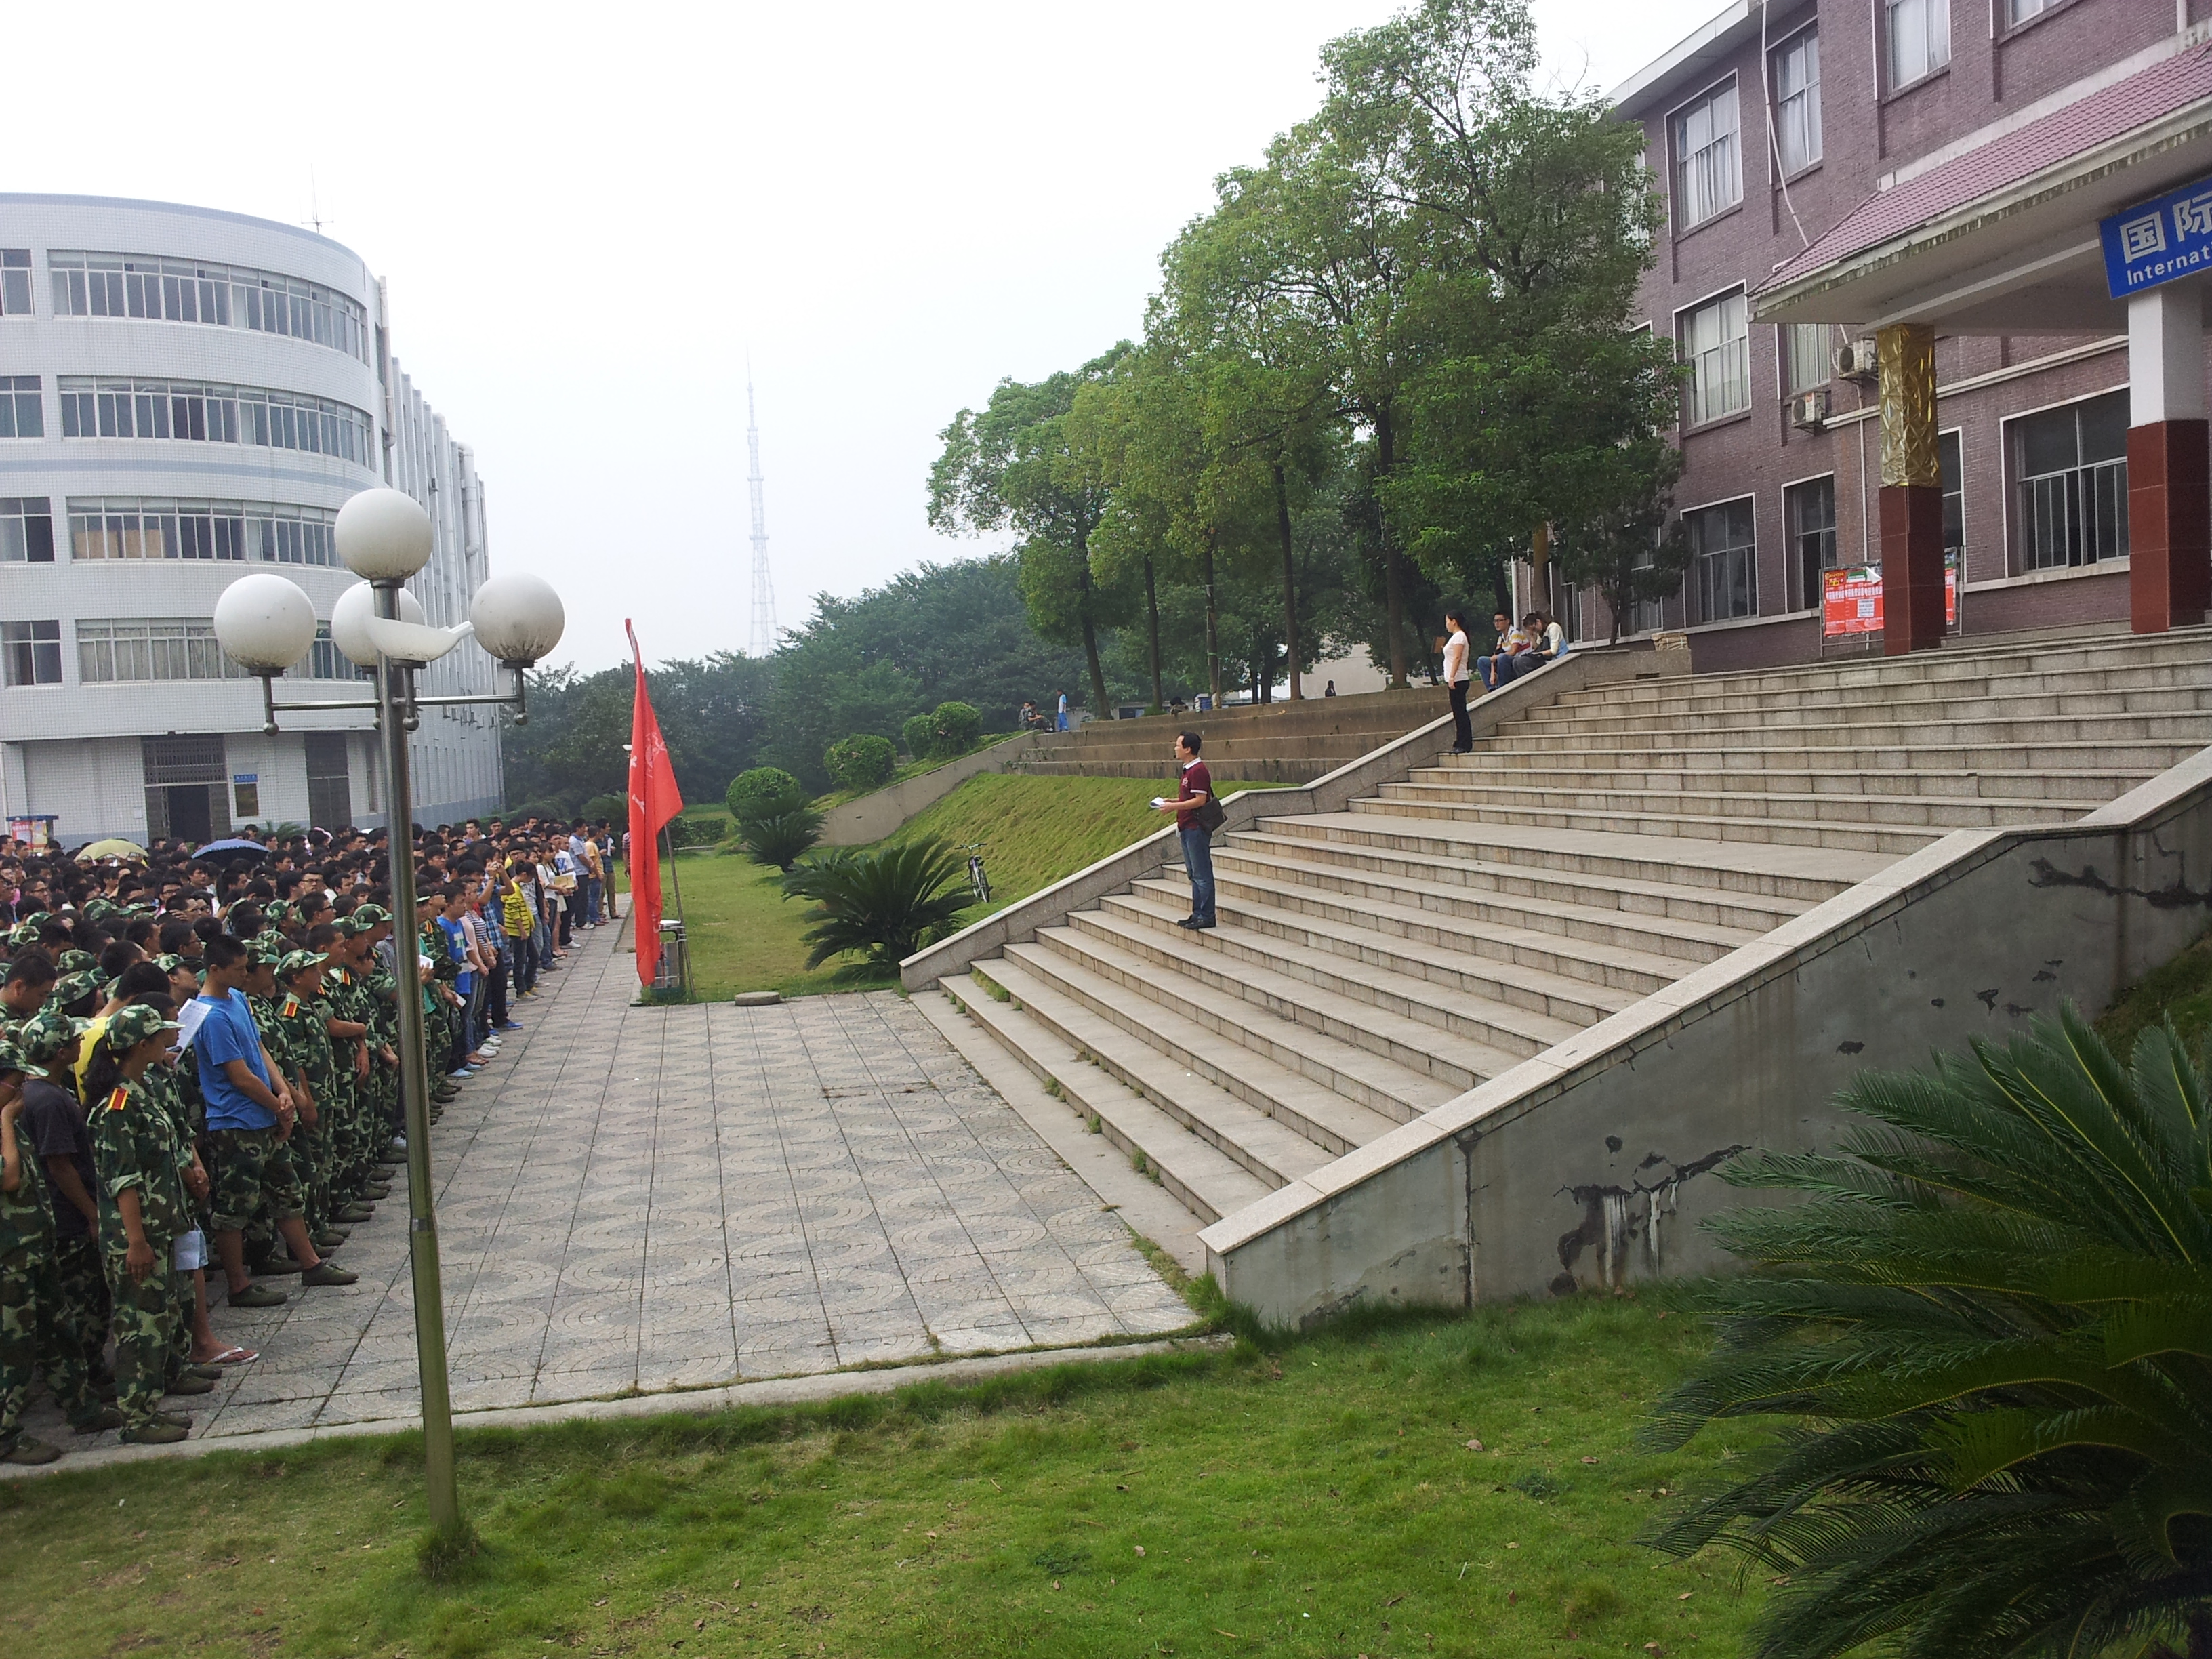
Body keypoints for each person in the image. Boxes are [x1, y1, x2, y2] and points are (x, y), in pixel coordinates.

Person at [1153, 731, 1218, 931]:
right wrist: (1173, 801)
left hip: (1195, 827)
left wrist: (1173, 807)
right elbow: (1190, 798)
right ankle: (1197, 913)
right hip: (1187, 827)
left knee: (1201, 873)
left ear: (1188, 749)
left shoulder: (1198, 771)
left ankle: (1206, 915)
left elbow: (1200, 800)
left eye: (1178, 745)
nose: (1175, 748)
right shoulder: (1188, 770)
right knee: (1193, 873)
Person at [1441, 607, 1475, 754]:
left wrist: (1452, 676)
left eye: (1447, 622)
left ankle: (1464, 743)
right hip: (1456, 679)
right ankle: (1460, 741)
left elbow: (1457, 657)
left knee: (1460, 713)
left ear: (1454, 622)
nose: (1446, 625)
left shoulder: (1459, 636)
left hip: (1458, 679)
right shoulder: (1456, 637)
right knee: (1458, 712)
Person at [1477, 611, 1530, 693]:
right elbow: (1496, 654)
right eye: (1495, 621)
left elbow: (1513, 652)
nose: (1497, 624)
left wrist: (1498, 657)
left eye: (1499, 621)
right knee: (1482, 660)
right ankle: (1491, 688)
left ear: (1507, 621)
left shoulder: (1515, 632)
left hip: (1518, 661)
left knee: (1502, 657)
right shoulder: (1501, 637)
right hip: (1504, 662)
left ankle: (1502, 687)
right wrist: (1492, 674)